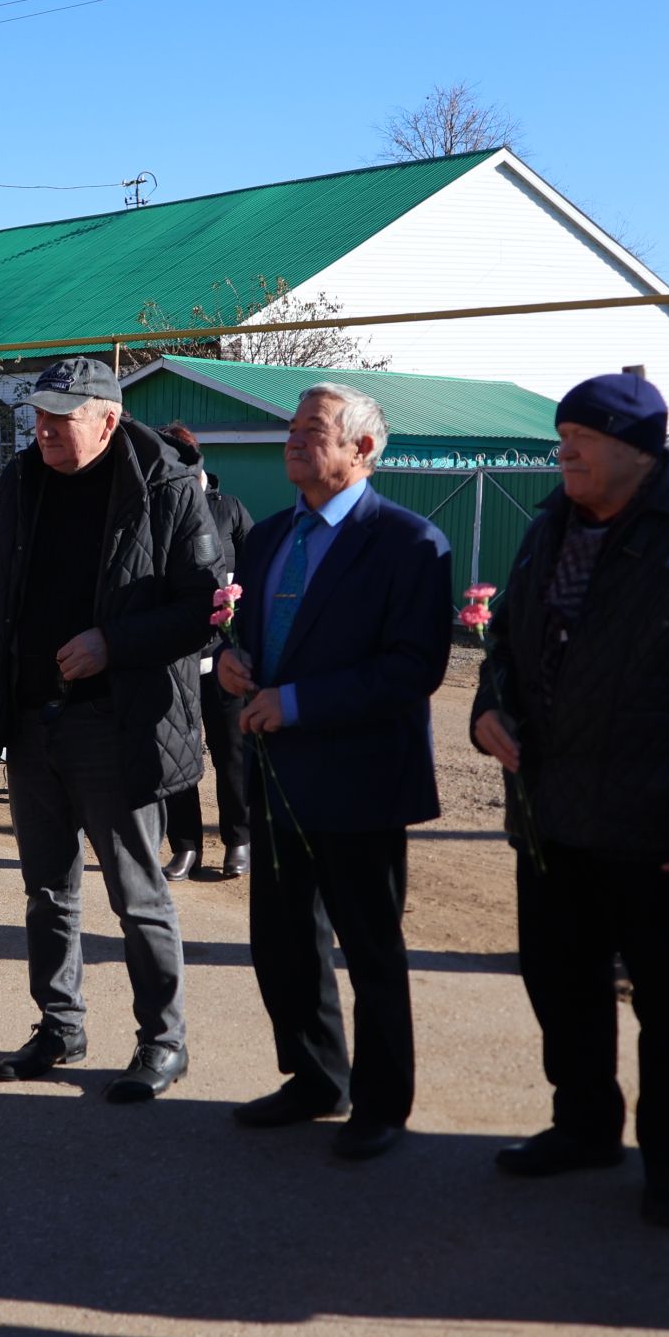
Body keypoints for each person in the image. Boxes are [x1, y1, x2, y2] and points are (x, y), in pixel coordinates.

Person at [472, 373, 669, 1228]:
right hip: (552, 814)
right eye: (562, 432)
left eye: (583, 435)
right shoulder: (549, 527)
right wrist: (485, 710)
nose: (563, 449)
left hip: (658, 826)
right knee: (558, 981)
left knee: (666, 998)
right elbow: (504, 647)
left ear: (638, 452)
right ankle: (583, 1126)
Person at [0, 357, 218, 1102]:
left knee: (137, 896)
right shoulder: (21, 480)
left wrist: (114, 643)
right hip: (35, 724)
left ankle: (162, 1042)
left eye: (61, 417)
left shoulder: (163, 485)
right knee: (46, 891)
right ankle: (60, 1024)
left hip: (118, 724)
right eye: (39, 414)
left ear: (108, 419)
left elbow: (206, 608)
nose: (43, 428)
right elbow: (2, 603)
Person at [216, 385, 452, 1161]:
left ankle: (383, 1104)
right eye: (292, 426)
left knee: (370, 948)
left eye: (312, 429)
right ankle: (317, 1078)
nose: (293, 440)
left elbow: (413, 668)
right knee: (282, 944)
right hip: (278, 776)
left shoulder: (410, 544)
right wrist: (233, 662)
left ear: (363, 451)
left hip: (360, 779)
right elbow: (250, 632)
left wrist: (299, 703)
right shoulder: (269, 537)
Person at [161, 425, 254, 883]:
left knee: (231, 752)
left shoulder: (230, 509)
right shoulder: (160, 511)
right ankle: (185, 846)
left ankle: (239, 839)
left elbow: (255, 574)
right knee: (178, 755)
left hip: (223, 659)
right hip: (175, 659)